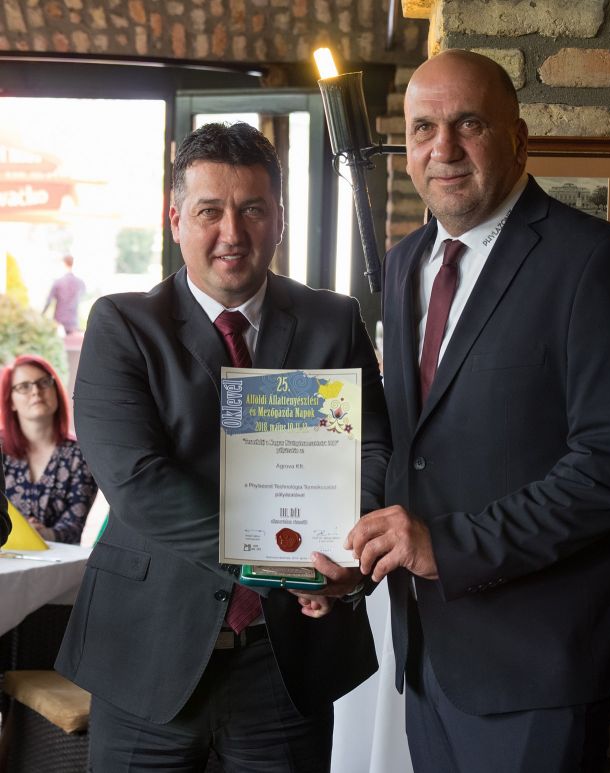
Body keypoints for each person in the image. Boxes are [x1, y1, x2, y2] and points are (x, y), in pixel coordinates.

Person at [339, 50, 610, 772]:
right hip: (428, 650)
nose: (444, 148)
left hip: (539, 663)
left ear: (518, 141)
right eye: (423, 128)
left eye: (469, 124)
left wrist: (447, 546)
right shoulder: (404, 263)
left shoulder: (597, 263)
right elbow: (410, 445)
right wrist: (352, 550)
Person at [55, 122, 391, 772]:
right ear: (176, 218)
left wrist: (350, 554)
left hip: (285, 660)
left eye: (252, 209)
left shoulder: (332, 320)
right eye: (210, 210)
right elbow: (139, 482)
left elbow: (373, 449)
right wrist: (284, 566)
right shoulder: (124, 325)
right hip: (146, 655)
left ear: (279, 220)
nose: (232, 232)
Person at [1, 354, 97, 544]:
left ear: (56, 390)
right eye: (24, 386)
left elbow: (74, 525)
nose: (36, 391)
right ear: (10, 401)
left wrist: (43, 534)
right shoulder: (1, 448)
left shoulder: (82, 453)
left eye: (44, 382)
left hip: (59, 558)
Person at [42, 254, 86, 334]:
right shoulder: (80, 283)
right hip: (73, 322)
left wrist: (42, 315)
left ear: (64, 264)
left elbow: (48, 301)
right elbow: (82, 297)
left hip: (58, 322)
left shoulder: (58, 282)